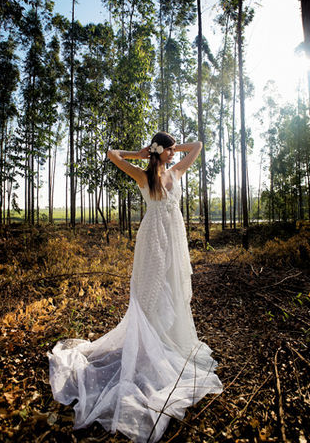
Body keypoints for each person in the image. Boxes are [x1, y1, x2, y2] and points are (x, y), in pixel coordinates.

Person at [48, 131, 223, 443]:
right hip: (153, 239)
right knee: (151, 295)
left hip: (175, 239)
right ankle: (147, 347)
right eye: (168, 151)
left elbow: (197, 146)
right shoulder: (143, 175)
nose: (172, 155)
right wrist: (142, 153)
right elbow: (112, 153)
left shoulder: (177, 170)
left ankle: (166, 343)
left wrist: (170, 148)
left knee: (173, 290)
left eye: (172, 151)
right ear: (159, 152)